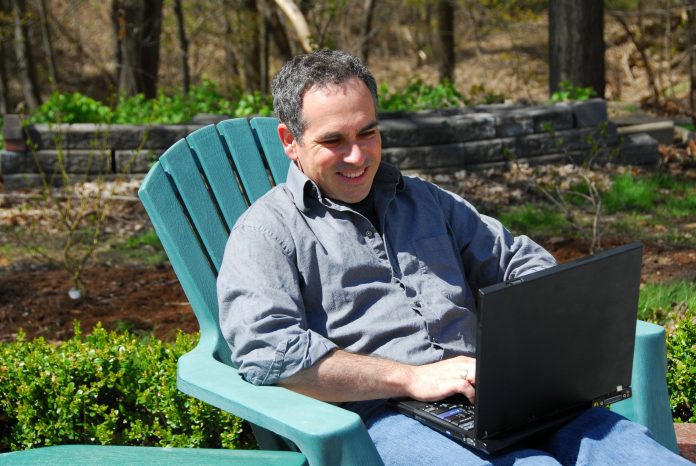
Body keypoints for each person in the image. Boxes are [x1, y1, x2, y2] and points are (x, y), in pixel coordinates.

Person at [217, 49, 688, 465]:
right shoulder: (266, 233)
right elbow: (270, 354)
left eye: (369, 132)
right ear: (289, 141)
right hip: (383, 419)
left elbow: (520, 263)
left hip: (494, 395)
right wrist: (410, 379)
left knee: (636, 455)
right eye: (334, 140)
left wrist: (528, 355)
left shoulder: (426, 202)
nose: (358, 156)